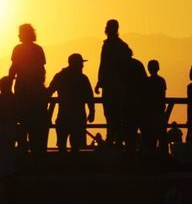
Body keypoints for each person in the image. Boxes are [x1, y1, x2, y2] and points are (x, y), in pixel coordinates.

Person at [9, 24, 48, 159]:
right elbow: (42, 70)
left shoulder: (18, 49)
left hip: (22, 90)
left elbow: (13, 68)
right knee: (35, 125)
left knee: (21, 123)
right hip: (35, 91)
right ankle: (36, 154)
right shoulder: (38, 49)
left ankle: (22, 151)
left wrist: (9, 83)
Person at [49, 54, 95, 156]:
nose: (82, 66)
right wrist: (92, 112)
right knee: (75, 145)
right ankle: (74, 166)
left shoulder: (60, 76)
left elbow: (49, 92)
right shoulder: (82, 79)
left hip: (63, 116)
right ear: (77, 64)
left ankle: (63, 166)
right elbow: (89, 97)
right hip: (78, 116)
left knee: (62, 144)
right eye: (81, 64)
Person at [96, 19, 133, 149]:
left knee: (111, 114)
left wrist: (100, 82)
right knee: (118, 115)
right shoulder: (122, 46)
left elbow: (104, 65)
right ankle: (117, 140)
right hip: (121, 87)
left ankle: (112, 139)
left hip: (111, 87)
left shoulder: (108, 46)